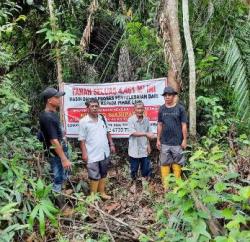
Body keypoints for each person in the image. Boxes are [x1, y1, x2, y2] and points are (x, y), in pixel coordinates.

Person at [78, 98, 115, 200]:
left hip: (104, 152)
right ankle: (93, 196)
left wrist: (111, 144)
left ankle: (102, 193)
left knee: (103, 173)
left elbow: (108, 132)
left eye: (96, 106)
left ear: (99, 107)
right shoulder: (83, 122)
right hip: (92, 154)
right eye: (92, 106)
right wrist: (84, 154)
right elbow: (82, 140)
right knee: (94, 175)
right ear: (88, 108)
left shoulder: (102, 118)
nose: (94, 108)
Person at [39, 87, 72, 193]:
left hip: (59, 152)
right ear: (49, 100)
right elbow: (54, 141)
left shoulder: (52, 114)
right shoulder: (48, 117)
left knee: (63, 177)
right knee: (57, 179)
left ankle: (63, 198)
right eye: (57, 97)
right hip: (56, 154)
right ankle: (58, 205)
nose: (59, 99)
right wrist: (64, 159)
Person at [156, 86, 188, 189]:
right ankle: (166, 186)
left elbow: (184, 125)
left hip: (177, 142)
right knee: (164, 163)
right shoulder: (161, 109)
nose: (167, 97)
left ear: (174, 96)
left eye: (169, 95)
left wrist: (184, 139)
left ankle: (177, 186)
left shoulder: (180, 108)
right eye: (165, 95)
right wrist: (158, 139)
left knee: (177, 162)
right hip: (165, 142)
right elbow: (160, 125)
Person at [128, 101, 155, 181]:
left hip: (144, 148)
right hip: (134, 149)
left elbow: (149, 132)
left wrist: (149, 146)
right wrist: (146, 134)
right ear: (134, 109)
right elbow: (133, 133)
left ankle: (144, 185)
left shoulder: (146, 120)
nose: (140, 110)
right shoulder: (131, 120)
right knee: (134, 169)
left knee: (146, 169)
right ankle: (134, 184)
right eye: (138, 108)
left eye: (141, 108)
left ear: (144, 109)